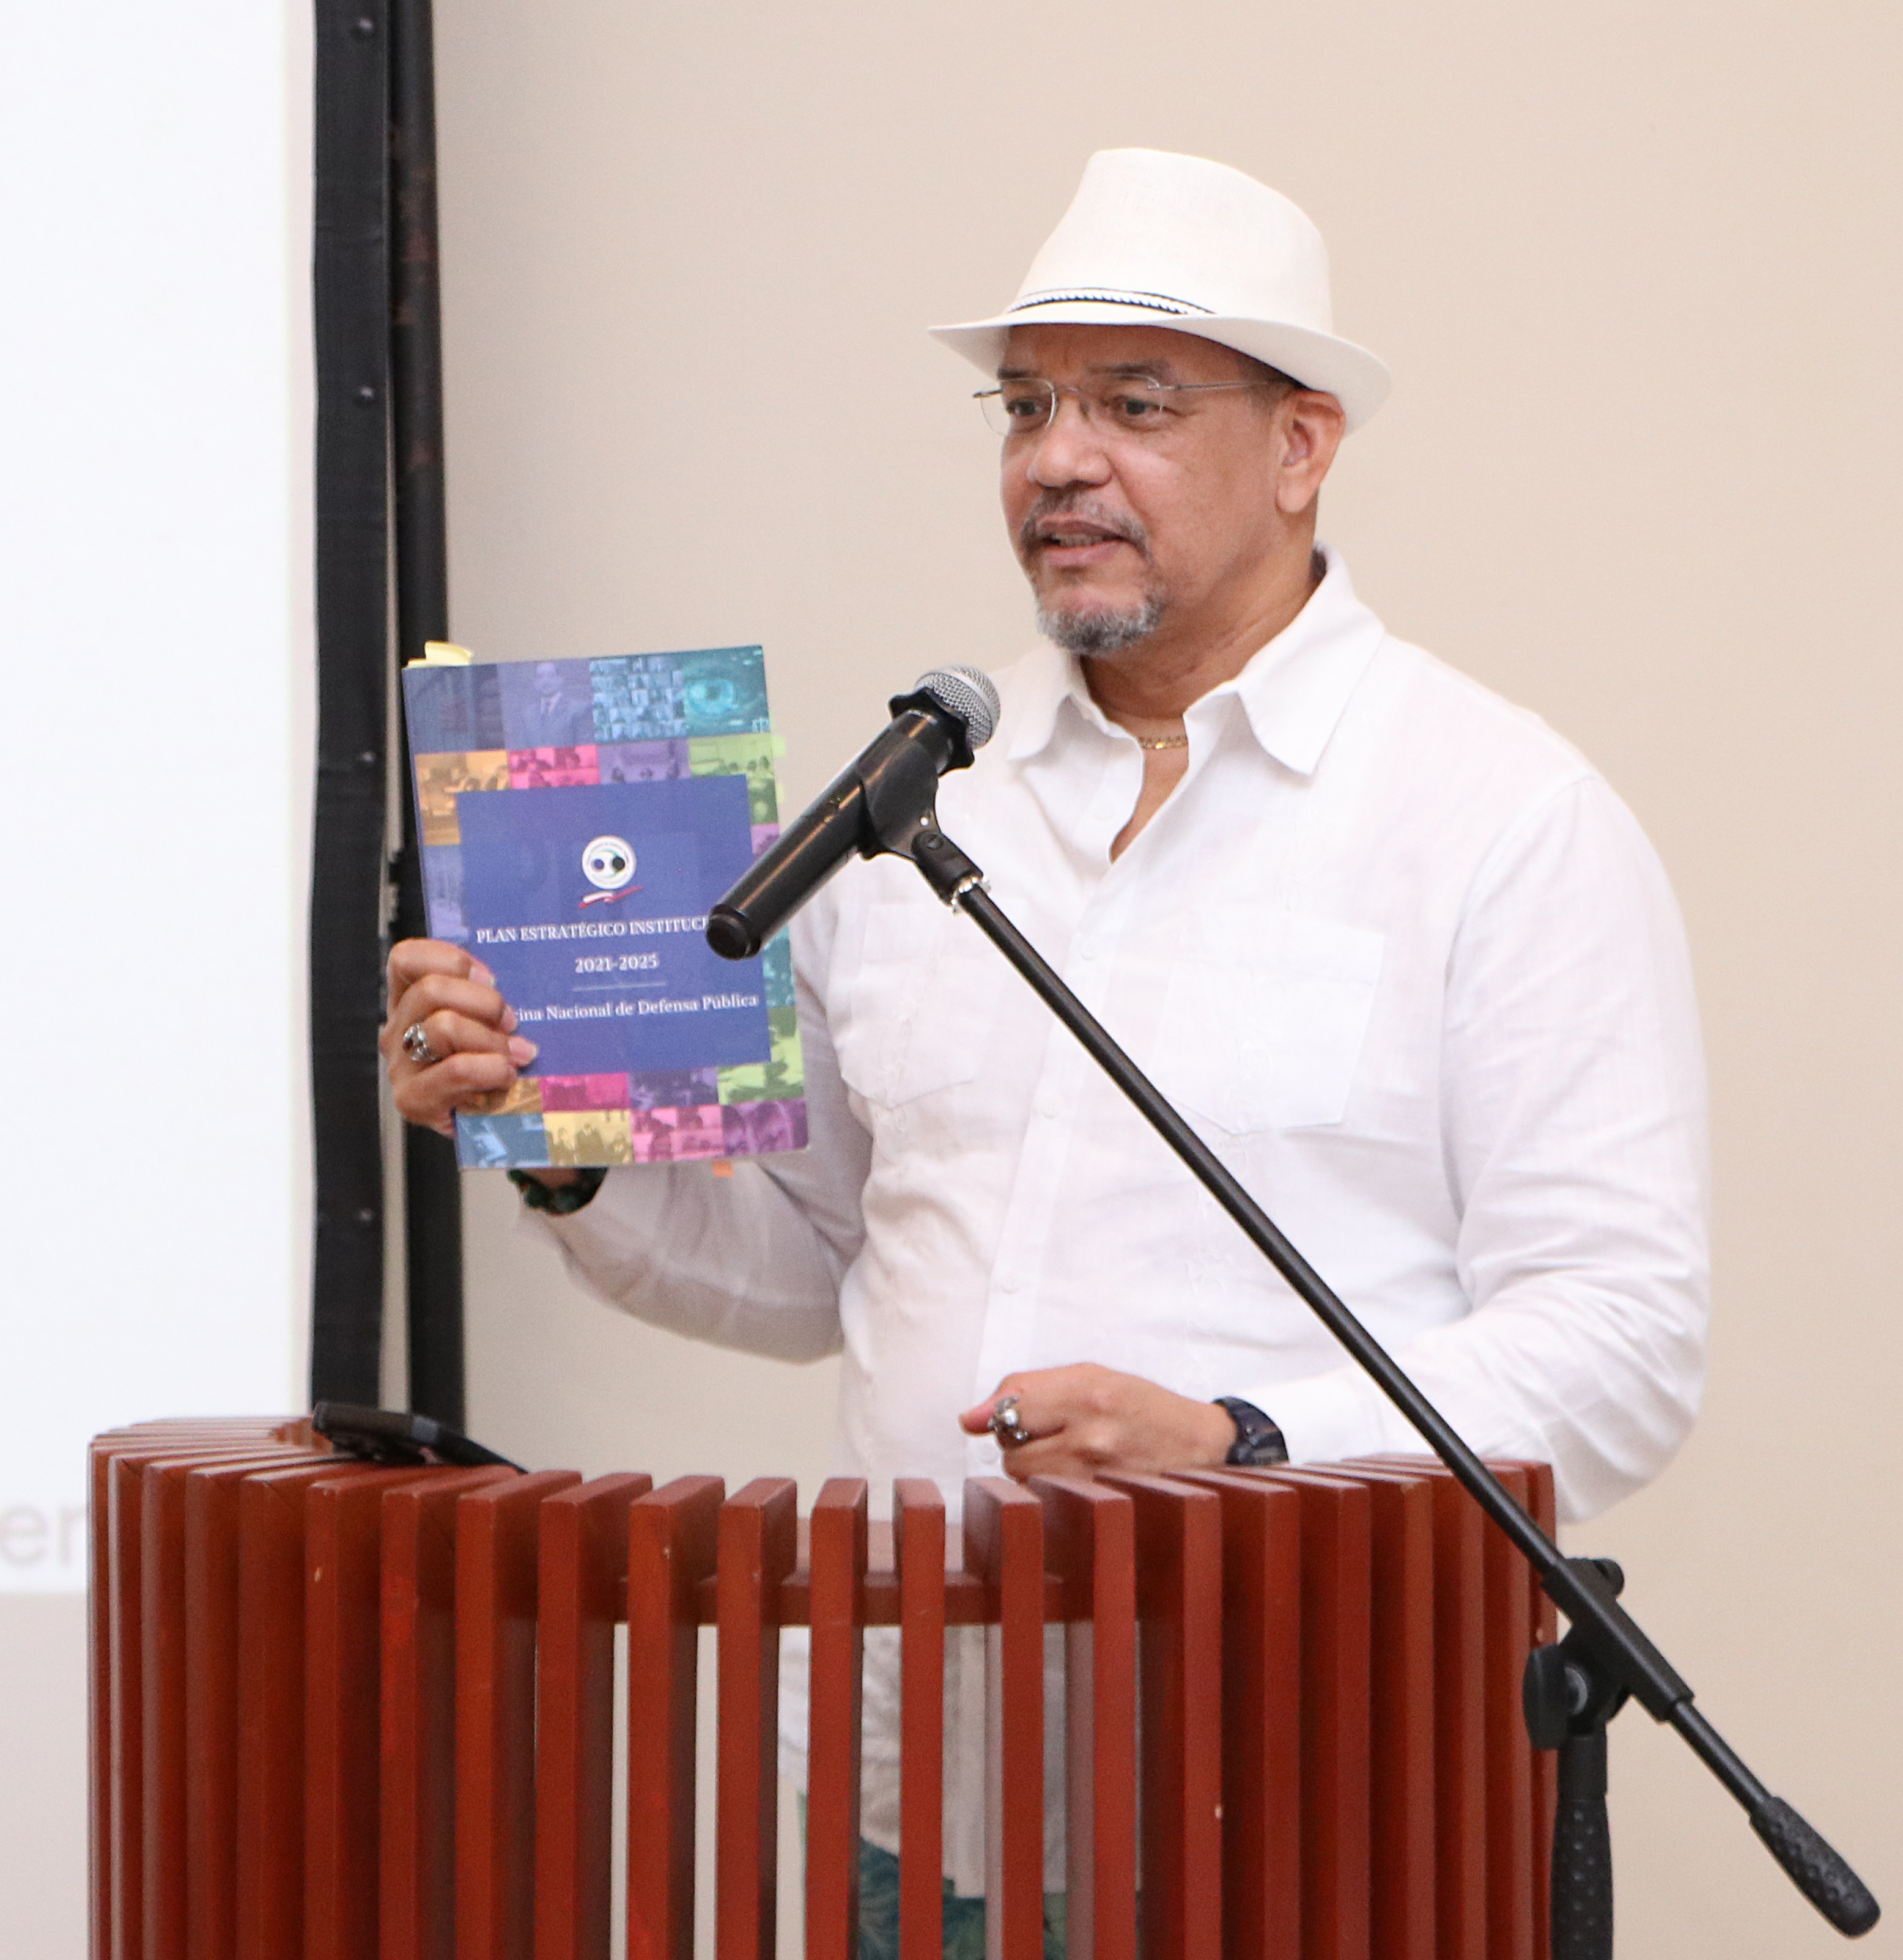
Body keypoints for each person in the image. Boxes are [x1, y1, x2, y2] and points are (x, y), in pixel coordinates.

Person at [380, 149, 1708, 1935]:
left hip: (1306, 1803)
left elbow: (1622, 1337)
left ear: (1302, 444)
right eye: (1026, 407)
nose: (1057, 459)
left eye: (1133, 405)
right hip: (916, 1799)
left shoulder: (1498, 818)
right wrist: (562, 1146)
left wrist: (1245, 1441)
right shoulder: (915, 806)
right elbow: (817, 1265)